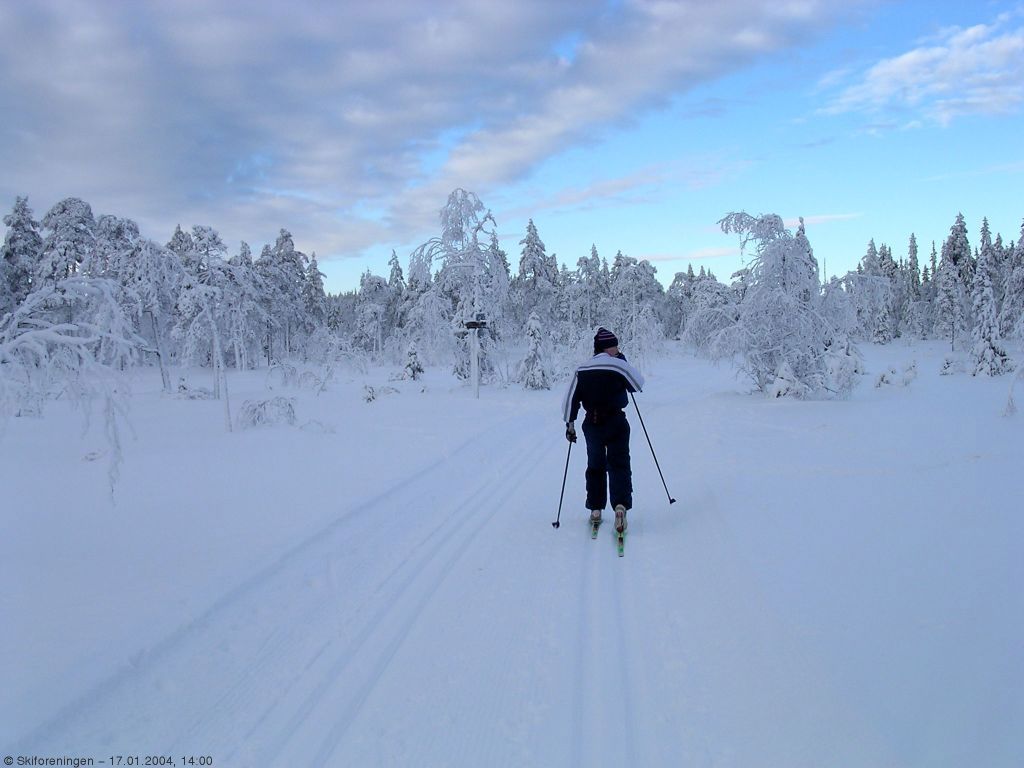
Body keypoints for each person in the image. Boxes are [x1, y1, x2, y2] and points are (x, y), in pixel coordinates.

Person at [561, 327, 645, 533]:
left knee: (595, 466)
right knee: (619, 464)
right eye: (615, 345)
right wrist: (621, 363)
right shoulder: (618, 365)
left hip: (593, 424)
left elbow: (570, 400)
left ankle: (596, 509)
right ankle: (620, 506)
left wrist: (570, 425)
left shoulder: (582, 369)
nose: (617, 349)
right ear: (608, 348)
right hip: (616, 421)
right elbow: (638, 384)